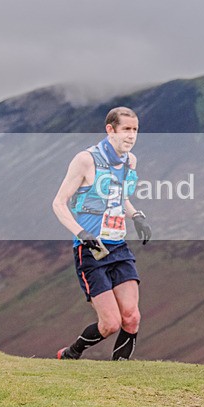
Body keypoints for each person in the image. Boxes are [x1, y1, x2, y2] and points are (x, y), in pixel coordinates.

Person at [52, 106, 151, 361]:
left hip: (118, 247)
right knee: (110, 324)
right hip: (91, 251)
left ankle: (120, 376)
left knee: (132, 318)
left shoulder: (130, 161)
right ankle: (72, 353)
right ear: (110, 130)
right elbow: (59, 203)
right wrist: (81, 232)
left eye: (135, 130)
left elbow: (120, 198)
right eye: (126, 130)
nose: (131, 136)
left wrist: (136, 216)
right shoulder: (86, 160)